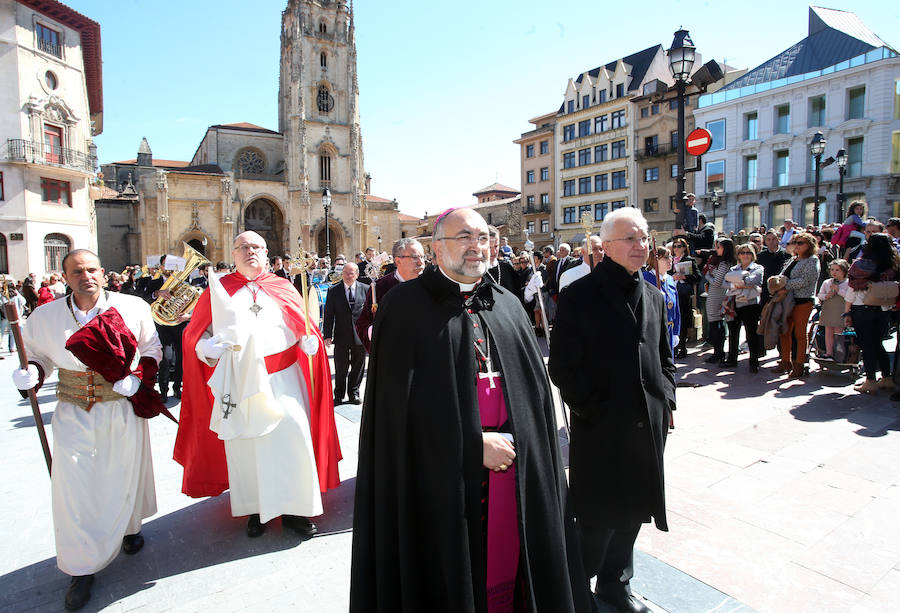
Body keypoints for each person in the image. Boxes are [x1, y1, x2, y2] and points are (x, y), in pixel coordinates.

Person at [351, 208, 591, 613]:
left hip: (513, 470)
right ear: (437, 247)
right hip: (440, 484)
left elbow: (532, 398)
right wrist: (469, 444)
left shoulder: (508, 304)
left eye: (482, 237)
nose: (476, 246)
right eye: (464, 236)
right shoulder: (405, 307)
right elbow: (395, 412)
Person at [12, 250, 161, 610]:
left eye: (91, 269)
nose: (86, 276)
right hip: (73, 409)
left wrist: (138, 378)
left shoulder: (132, 307)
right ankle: (81, 566)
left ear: (103, 272)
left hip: (120, 406)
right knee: (74, 488)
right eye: (77, 271)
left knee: (121, 474)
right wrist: (31, 371)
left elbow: (151, 347)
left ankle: (128, 527)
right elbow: (37, 354)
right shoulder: (45, 316)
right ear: (65, 276)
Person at [174, 231, 341, 538]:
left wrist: (309, 343)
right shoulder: (218, 289)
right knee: (246, 445)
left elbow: (303, 324)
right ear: (233, 253)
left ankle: (296, 510)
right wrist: (204, 348)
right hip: (239, 379)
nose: (249, 251)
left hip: (284, 376)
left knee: (293, 436)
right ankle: (257, 510)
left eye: (256, 247)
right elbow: (196, 333)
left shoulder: (283, 286)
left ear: (266, 253)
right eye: (242, 247)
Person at [549, 207, 674, 613]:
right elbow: (563, 366)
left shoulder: (654, 294)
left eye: (644, 239)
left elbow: (664, 357)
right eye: (631, 239)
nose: (641, 247)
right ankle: (576, 587)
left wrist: (667, 401)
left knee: (636, 509)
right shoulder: (578, 296)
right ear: (606, 245)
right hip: (602, 427)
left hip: (648, 426)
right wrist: (591, 411)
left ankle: (616, 583)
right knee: (598, 516)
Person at [843, 234, 899, 393]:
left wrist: (846, 312)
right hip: (884, 308)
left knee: (866, 344)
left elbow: (851, 289)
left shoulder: (860, 265)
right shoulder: (893, 266)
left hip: (862, 307)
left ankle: (870, 380)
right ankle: (887, 378)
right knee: (878, 343)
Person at [356, 238, 425, 352]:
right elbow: (362, 324)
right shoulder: (380, 287)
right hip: (393, 356)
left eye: (422, 257)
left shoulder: (432, 285)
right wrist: (375, 332)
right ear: (398, 261)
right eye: (415, 257)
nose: (421, 262)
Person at [773, 232, 821, 378]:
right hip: (788, 300)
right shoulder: (794, 259)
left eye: (801, 243)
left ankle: (799, 364)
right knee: (785, 331)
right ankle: (785, 361)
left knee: (800, 333)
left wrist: (785, 285)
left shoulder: (812, 260)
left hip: (803, 300)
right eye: (796, 242)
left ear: (810, 246)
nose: (797, 246)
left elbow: (805, 280)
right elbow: (783, 276)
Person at [323, 263, 367, 405]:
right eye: (346, 273)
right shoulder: (333, 291)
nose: (349, 276)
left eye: (352, 273)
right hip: (341, 335)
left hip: (360, 336)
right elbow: (329, 315)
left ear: (357, 274)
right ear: (342, 274)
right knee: (340, 367)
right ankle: (339, 394)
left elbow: (370, 314)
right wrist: (327, 335)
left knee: (358, 366)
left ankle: (354, 393)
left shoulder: (366, 289)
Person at [724, 244, 764, 372]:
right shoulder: (734, 268)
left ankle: (753, 362)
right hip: (735, 303)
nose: (745, 255)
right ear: (739, 255)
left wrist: (737, 282)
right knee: (733, 332)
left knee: (751, 333)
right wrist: (743, 283)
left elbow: (753, 281)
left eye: (748, 252)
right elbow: (725, 283)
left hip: (750, 304)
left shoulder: (758, 268)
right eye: (742, 252)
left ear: (753, 255)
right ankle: (731, 359)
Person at [643, 246, 680, 357]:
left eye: (671, 257)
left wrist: (676, 332)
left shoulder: (669, 279)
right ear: (656, 259)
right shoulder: (645, 278)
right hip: (653, 330)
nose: (670, 260)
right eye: (666, 257)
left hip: (669, 327)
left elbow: (676, 307)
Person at [704, 238, 736, 365]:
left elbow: (717, 282)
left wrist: (707, 275)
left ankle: (718, 353)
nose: (716, 249)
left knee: (716, 324)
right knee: (718, 325)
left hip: (716, 296)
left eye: (719, 247)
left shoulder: (724, 264)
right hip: (717, 295)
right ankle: (718, 352)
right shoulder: (724, 263)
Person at [670, 237, 699, 358]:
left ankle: (682, 347)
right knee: (673, 318)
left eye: (679, 246)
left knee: (683, 320)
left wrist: (684, 277)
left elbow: (697, 277)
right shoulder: (670, 260)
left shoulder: (689, 260)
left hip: (683, 293)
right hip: (672, 291)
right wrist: (673, 276)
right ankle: (674, 347)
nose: (677, 248)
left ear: (684, 248)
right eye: (675, 246)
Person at [816, 259, 850, 361]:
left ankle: (838, 352)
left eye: (837, 270)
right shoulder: (827, 282)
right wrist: (826, 295)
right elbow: (820, 295)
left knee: (838, 331)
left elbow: (849, 296)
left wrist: (838, 290)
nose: (834, 272)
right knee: (828, 331)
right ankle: (829, 352)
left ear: (844, 271)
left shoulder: (848, 283)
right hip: (829, 308)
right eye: (832, 270)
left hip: (841, 309)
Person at [486, 225, 523, 301]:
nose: (493, 252)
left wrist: (529, 292)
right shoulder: (474, 272)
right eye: (489, 247)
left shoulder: (507, 267)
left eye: (496, 246)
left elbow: (517, 296)